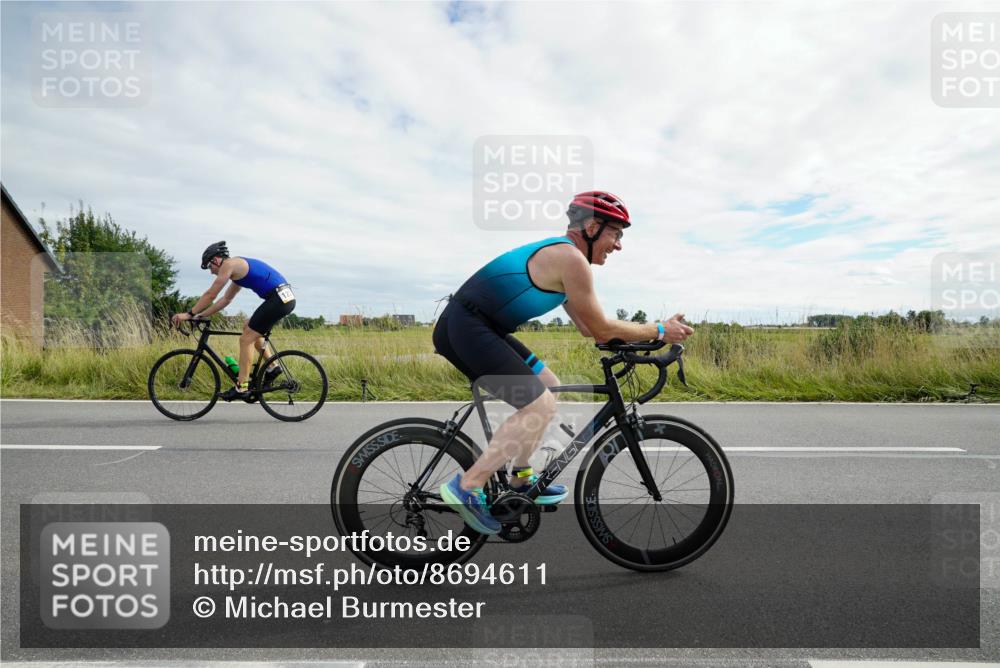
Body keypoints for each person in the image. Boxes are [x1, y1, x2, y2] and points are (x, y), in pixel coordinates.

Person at [434, 191, 694, 534]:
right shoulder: (571, 260)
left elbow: (592, 330)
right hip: (466, 327)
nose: (618, 245)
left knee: (549, 386)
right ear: (591, 226)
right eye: (616, 234)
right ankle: (467, 486)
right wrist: (659, 328)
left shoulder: (569, 261)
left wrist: (654, 337)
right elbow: (602, 327)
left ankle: (520, 479)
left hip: (481, 326)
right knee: (537, 405)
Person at [171, 241, 295, 401]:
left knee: (246, 339)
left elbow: (211, 294)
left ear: (216, 260)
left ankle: (242, 387)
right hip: (281, 298)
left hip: (278, 299)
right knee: (248, 328)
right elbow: (225, 300)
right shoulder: (237, 272)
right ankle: (272, 368)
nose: (211, 272)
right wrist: (200, 315)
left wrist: (188, 314)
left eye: (210, 267)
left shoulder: (229, 264)